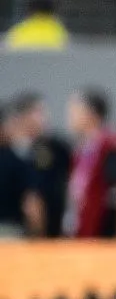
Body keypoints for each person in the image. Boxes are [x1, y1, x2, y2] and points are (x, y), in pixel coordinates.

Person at [65, 88, 116, 238]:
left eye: (74, 111)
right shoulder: (82, 150)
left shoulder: (108, 146)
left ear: (90, 113)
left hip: (101, 236)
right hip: (83, 232)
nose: (69, 117)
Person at [6, 92, 72, 237]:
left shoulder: (55, 149)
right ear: (24, 117)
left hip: (52, 231)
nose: (45, 118)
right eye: (39, 112)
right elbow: (32, 201)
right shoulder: (7, 155)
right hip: (13, 231)